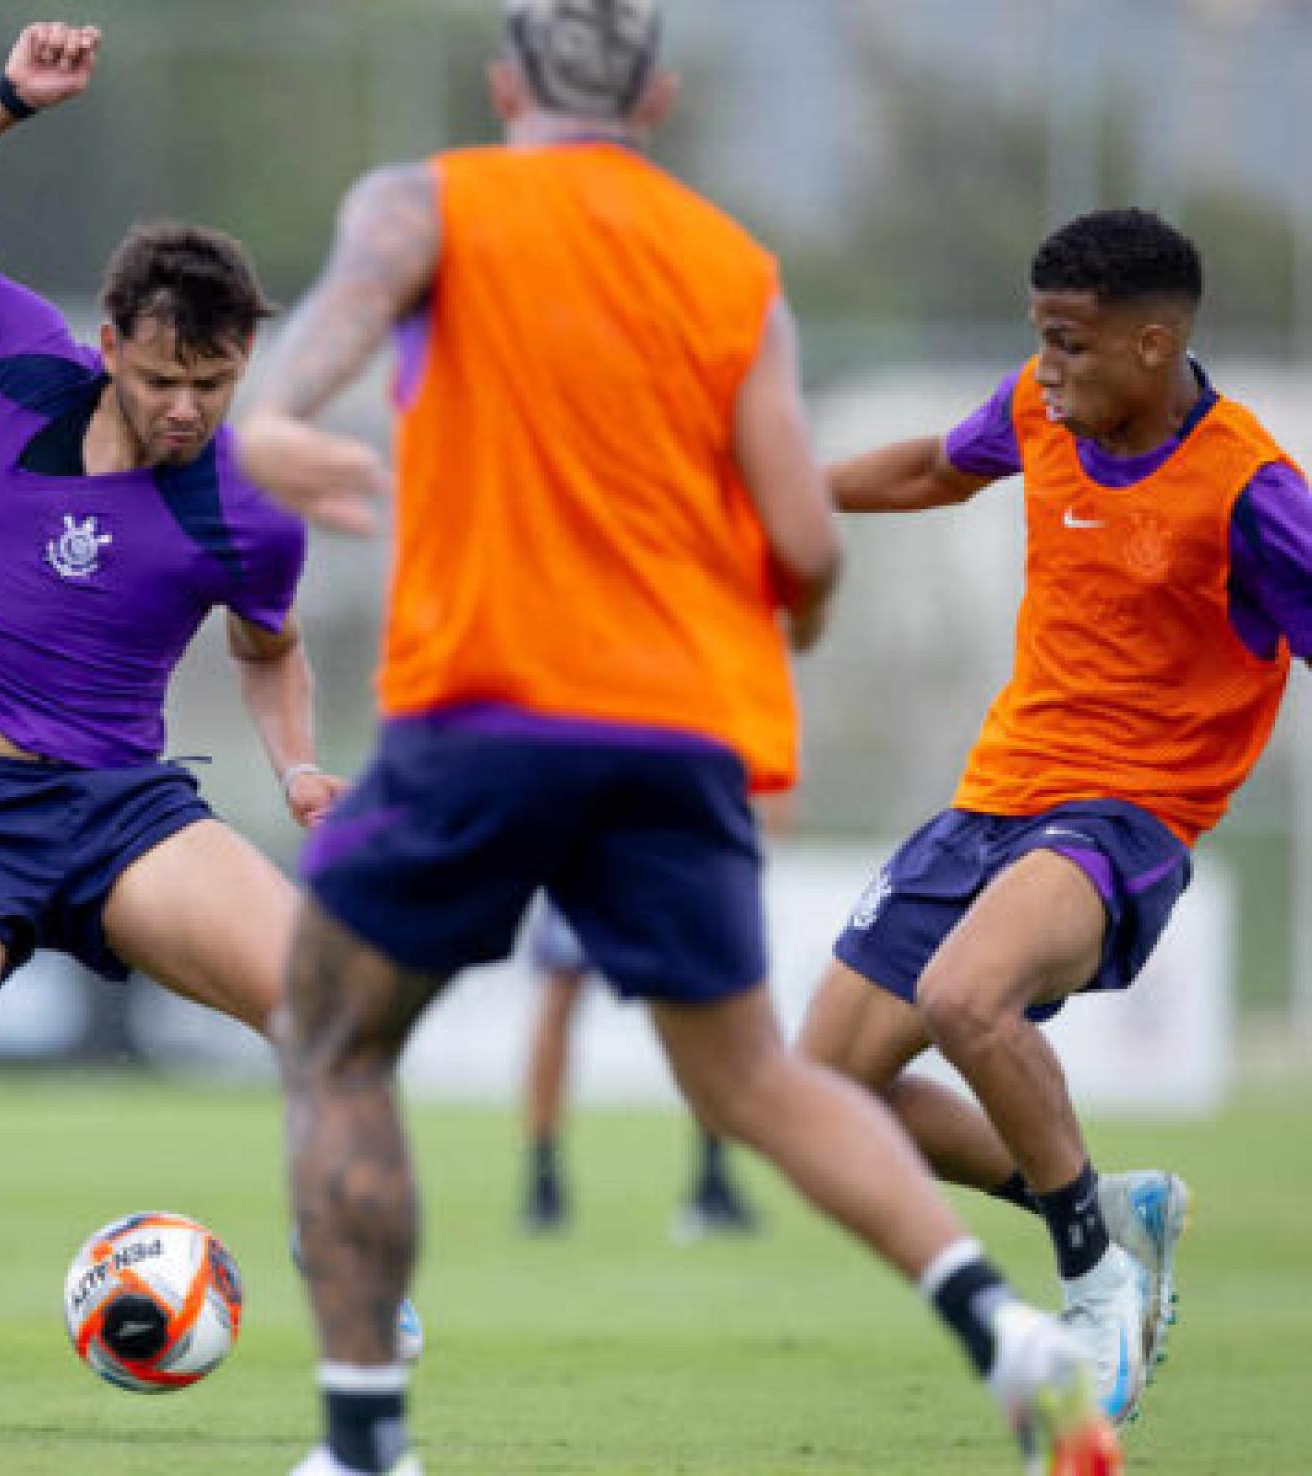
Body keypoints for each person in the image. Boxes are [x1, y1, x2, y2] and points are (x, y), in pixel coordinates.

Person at [233, 4, 1119, 1473]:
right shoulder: (736, 273)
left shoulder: (424, 200)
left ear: (505, 84)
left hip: (489, 708)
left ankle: (364, 1445)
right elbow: (803, 541)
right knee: (757, 1082)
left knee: (334, 1038)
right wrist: (802, 627)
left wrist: (270, 425)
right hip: (679, 729)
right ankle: (1009, 1334)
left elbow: (312, 358)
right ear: (661, 98)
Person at [0, 22, 417, 1443]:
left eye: (216, 384)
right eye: (164, 375)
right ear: (109, 342)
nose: (185, 408)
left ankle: (332, 1257)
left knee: (328, 1005)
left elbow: (269, 648)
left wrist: (296, 763)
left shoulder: (248, 508)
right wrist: (6, 100)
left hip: (121, 811)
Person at [799, 205, 1303, 1427]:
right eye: (1037, 338)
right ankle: (1104, 1204)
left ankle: (1092, 1288)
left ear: (1148, 344)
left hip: (1121, 824)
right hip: (989, 798)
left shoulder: (1247, 488)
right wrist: (761, 502)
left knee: (965, 997)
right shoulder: (1042, 410)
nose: (1045, 366)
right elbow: (931, 468)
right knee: (818, 1093)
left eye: (1068, 342)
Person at [518, 899, 758, 1241]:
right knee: (562, 989)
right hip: (586, 858)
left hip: (663, 857)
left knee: (691, 997)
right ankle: (542, 1177)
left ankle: (711, 1178)